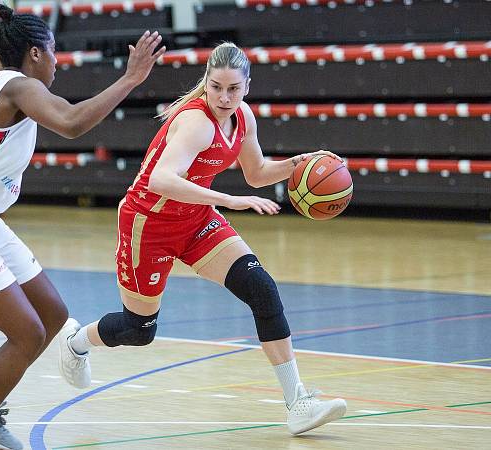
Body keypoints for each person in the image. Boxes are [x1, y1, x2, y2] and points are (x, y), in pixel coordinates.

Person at [0, 4, 165, 449]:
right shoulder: (18, 87)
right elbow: (72, 122)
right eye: (54, 52)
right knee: (27, 333)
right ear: (36, 54)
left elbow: (63, 113)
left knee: (52, 316)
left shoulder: (5, 86)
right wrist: (130, 79)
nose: (59, 61)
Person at [58, 42, 347, 436]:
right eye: (216, 88)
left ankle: (298, 403)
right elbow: (162, 179)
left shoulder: (243, 118)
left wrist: (304, 162)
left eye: (233, 89)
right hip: (149, 224)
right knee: (139, 329)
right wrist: (227, 199)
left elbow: (258, 172)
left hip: (195, 222)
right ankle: (77, 342)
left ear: (247, 85)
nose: (225, 98)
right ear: (205, 85)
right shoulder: (196, 122)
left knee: (261, 288)